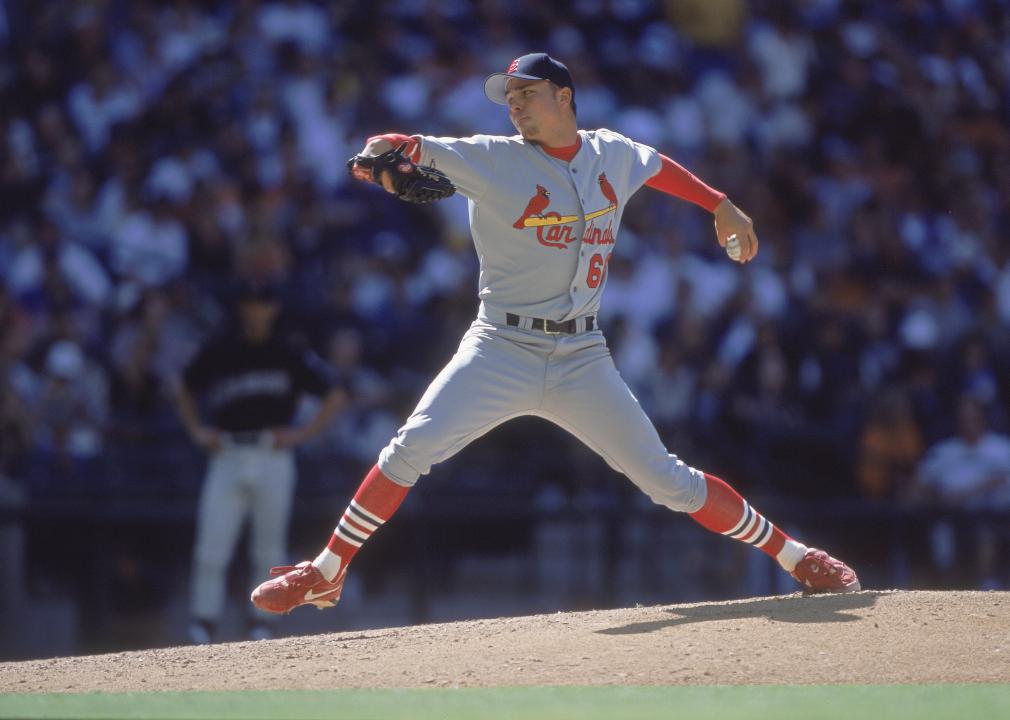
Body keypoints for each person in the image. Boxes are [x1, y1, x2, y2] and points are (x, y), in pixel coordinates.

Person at [252, 53, 859, 615]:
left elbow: (655, 166)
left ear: (564, 97)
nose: (513, 105)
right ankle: (326, 570)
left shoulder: (611, 153)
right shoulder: (492, 157)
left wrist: (719, 202)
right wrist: (386, 148)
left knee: (668, 481)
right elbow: (415, 145)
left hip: (581, 354)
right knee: (408, 451)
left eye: (526, 93)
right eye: (508, 96)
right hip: (500, 346)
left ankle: (794, 555)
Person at [177, 281, 345, 642]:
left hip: (273, 453)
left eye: (263, 303)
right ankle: (203, 622)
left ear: (273, 310)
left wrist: (301, 434)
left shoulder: (287, 351)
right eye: (251, 303)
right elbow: (183, 387)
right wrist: (197, 430)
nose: (257, 311)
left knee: (267, 547)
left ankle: (263, 622)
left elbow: (334, 394)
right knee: (211, 547)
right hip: (228, 453)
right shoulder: (221, 348)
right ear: (242, 309)